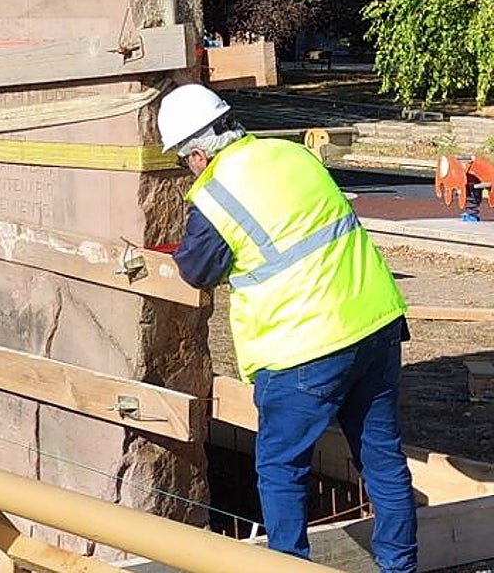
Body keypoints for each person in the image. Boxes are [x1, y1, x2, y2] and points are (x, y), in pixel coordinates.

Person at [158, 83, 416, 573]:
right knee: (382, 462)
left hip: (304, 346)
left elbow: (197, 268)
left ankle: (289, 567)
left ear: (196, 153)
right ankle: (399, 567)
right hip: (375, 323)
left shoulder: (215, 195)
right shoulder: (293, 155)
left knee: (281, 469)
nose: (185, 169)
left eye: (181, 161)